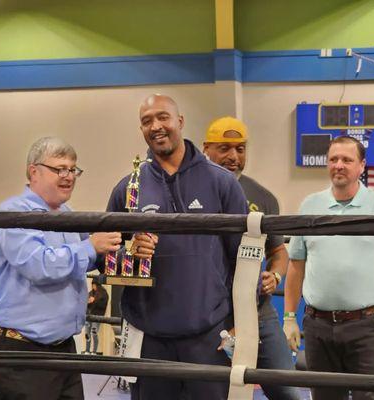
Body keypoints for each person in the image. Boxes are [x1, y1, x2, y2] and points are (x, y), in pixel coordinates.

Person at [107, 94, 248, 400]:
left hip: (208, 336)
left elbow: (243, 261)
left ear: (180, 122)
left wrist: (239, 325)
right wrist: (129, 252)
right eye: (147, 121)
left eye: (163, 117)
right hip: (150, 338)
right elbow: (105, 255)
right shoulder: (127, 188)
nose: (156, 126)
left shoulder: (223, 183)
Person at [283, 136, 374, 400]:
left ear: (362, 166)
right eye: (333, 159)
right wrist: (289, 318)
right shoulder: (309, 206)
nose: (339, 165)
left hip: (367, 327)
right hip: (318, 326)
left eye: (347, 160)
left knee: (373, 398)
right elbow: (295, 268)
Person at [0, 137, 122, 400]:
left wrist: (122, 250)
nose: (68, 175)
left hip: (62, 349)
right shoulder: (12, 213)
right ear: (33, 171)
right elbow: (40, 265)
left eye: (73, 169)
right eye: (59, 168)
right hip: (21, 354)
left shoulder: (65, 214)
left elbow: (87, 257)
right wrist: (92, 246)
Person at [203, 116, 300, 400]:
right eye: (224, 148)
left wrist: (276, 275)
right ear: (206, 148)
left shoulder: (263, 197)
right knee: (213, 392)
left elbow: (278, 252)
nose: (233, 156)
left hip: (258, 313)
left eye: (240, 148)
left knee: (290, 393)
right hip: (210, 317)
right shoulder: (192, 192)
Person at [84, 280, 109, 354]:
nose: (93, 286)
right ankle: (87, 350)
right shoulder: (90, 293)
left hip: (97, 316)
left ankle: (94, 351)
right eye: (92, 285)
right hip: (88, 315)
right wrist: (88, 302)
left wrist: (94, 301)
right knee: (87, 333)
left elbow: (103, 306)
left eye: (94, 285)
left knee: (94, 332)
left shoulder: (104, 294)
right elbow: (85, 304)